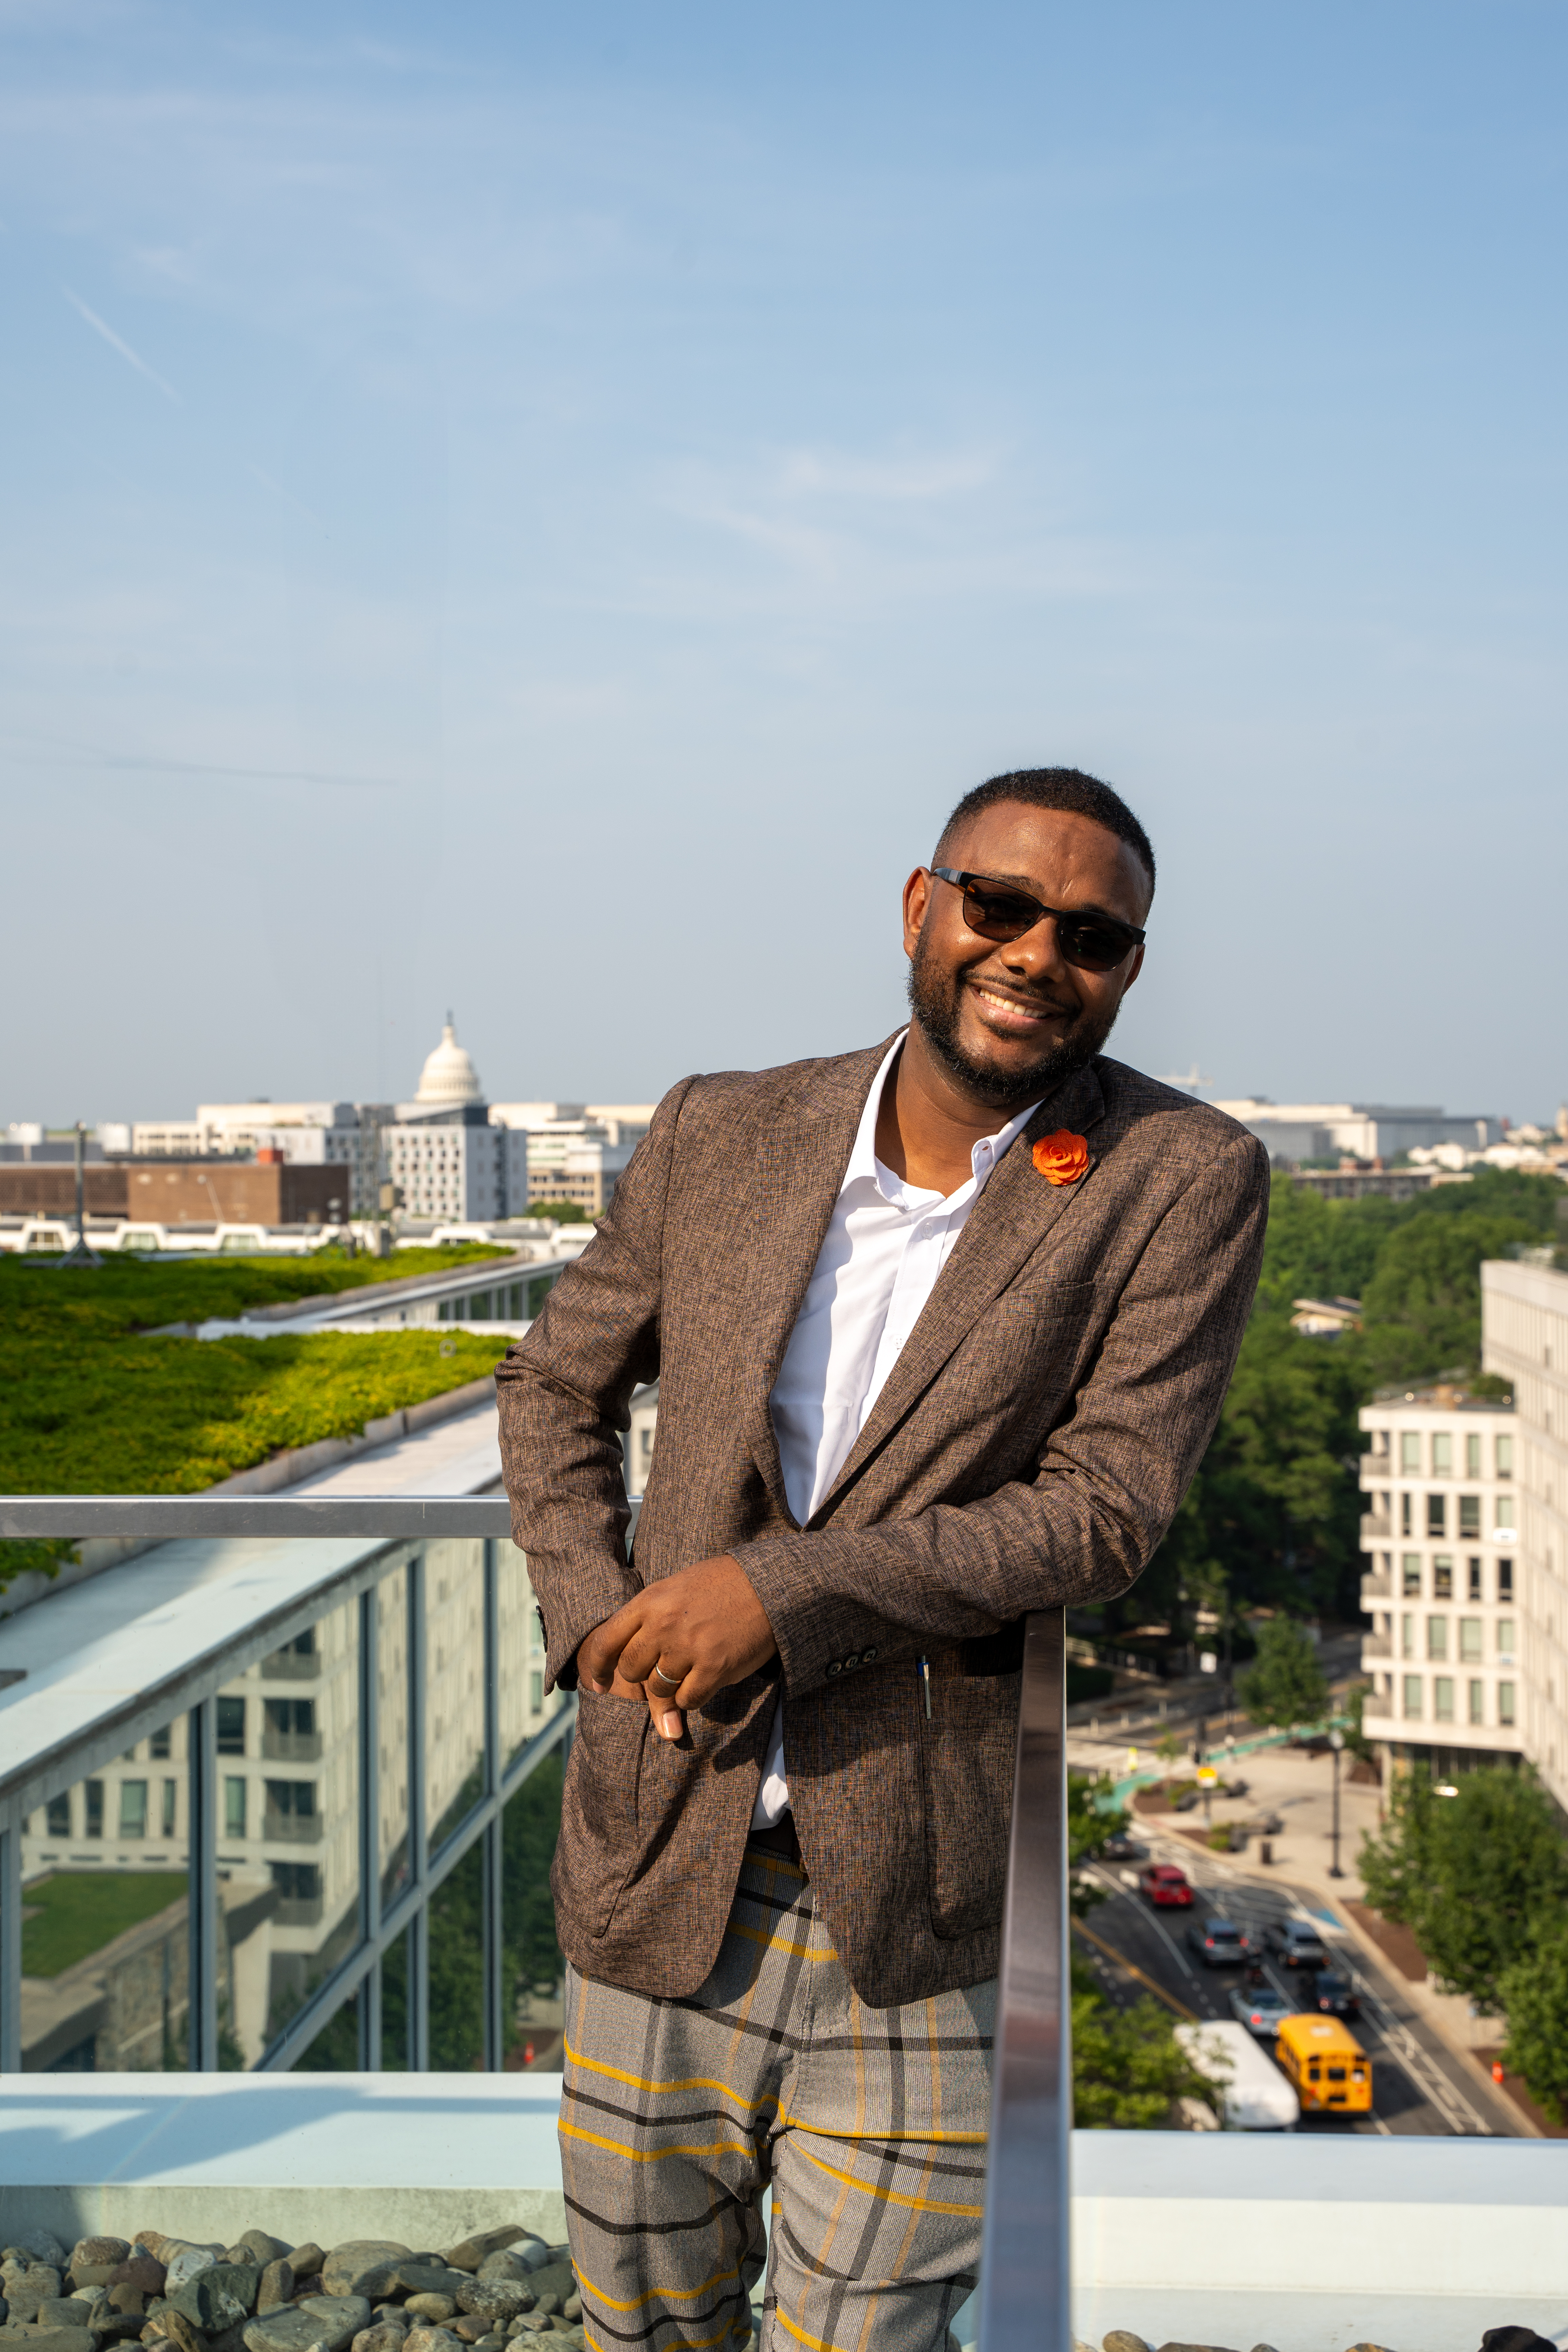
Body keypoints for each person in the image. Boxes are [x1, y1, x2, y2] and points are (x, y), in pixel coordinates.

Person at [496, 765, 1269, 2352]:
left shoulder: (1178, 1178)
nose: (1039, 954)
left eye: (1096, 936)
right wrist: (596, 1627)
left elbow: (1107, 1506)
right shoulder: (724, 1129)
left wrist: (775, 1597)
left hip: (917, 1907)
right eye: (1001, 907)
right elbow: (555, 1386)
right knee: (641, 2327)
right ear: (924, 909)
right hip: (660, 1857)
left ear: (1128, 968)